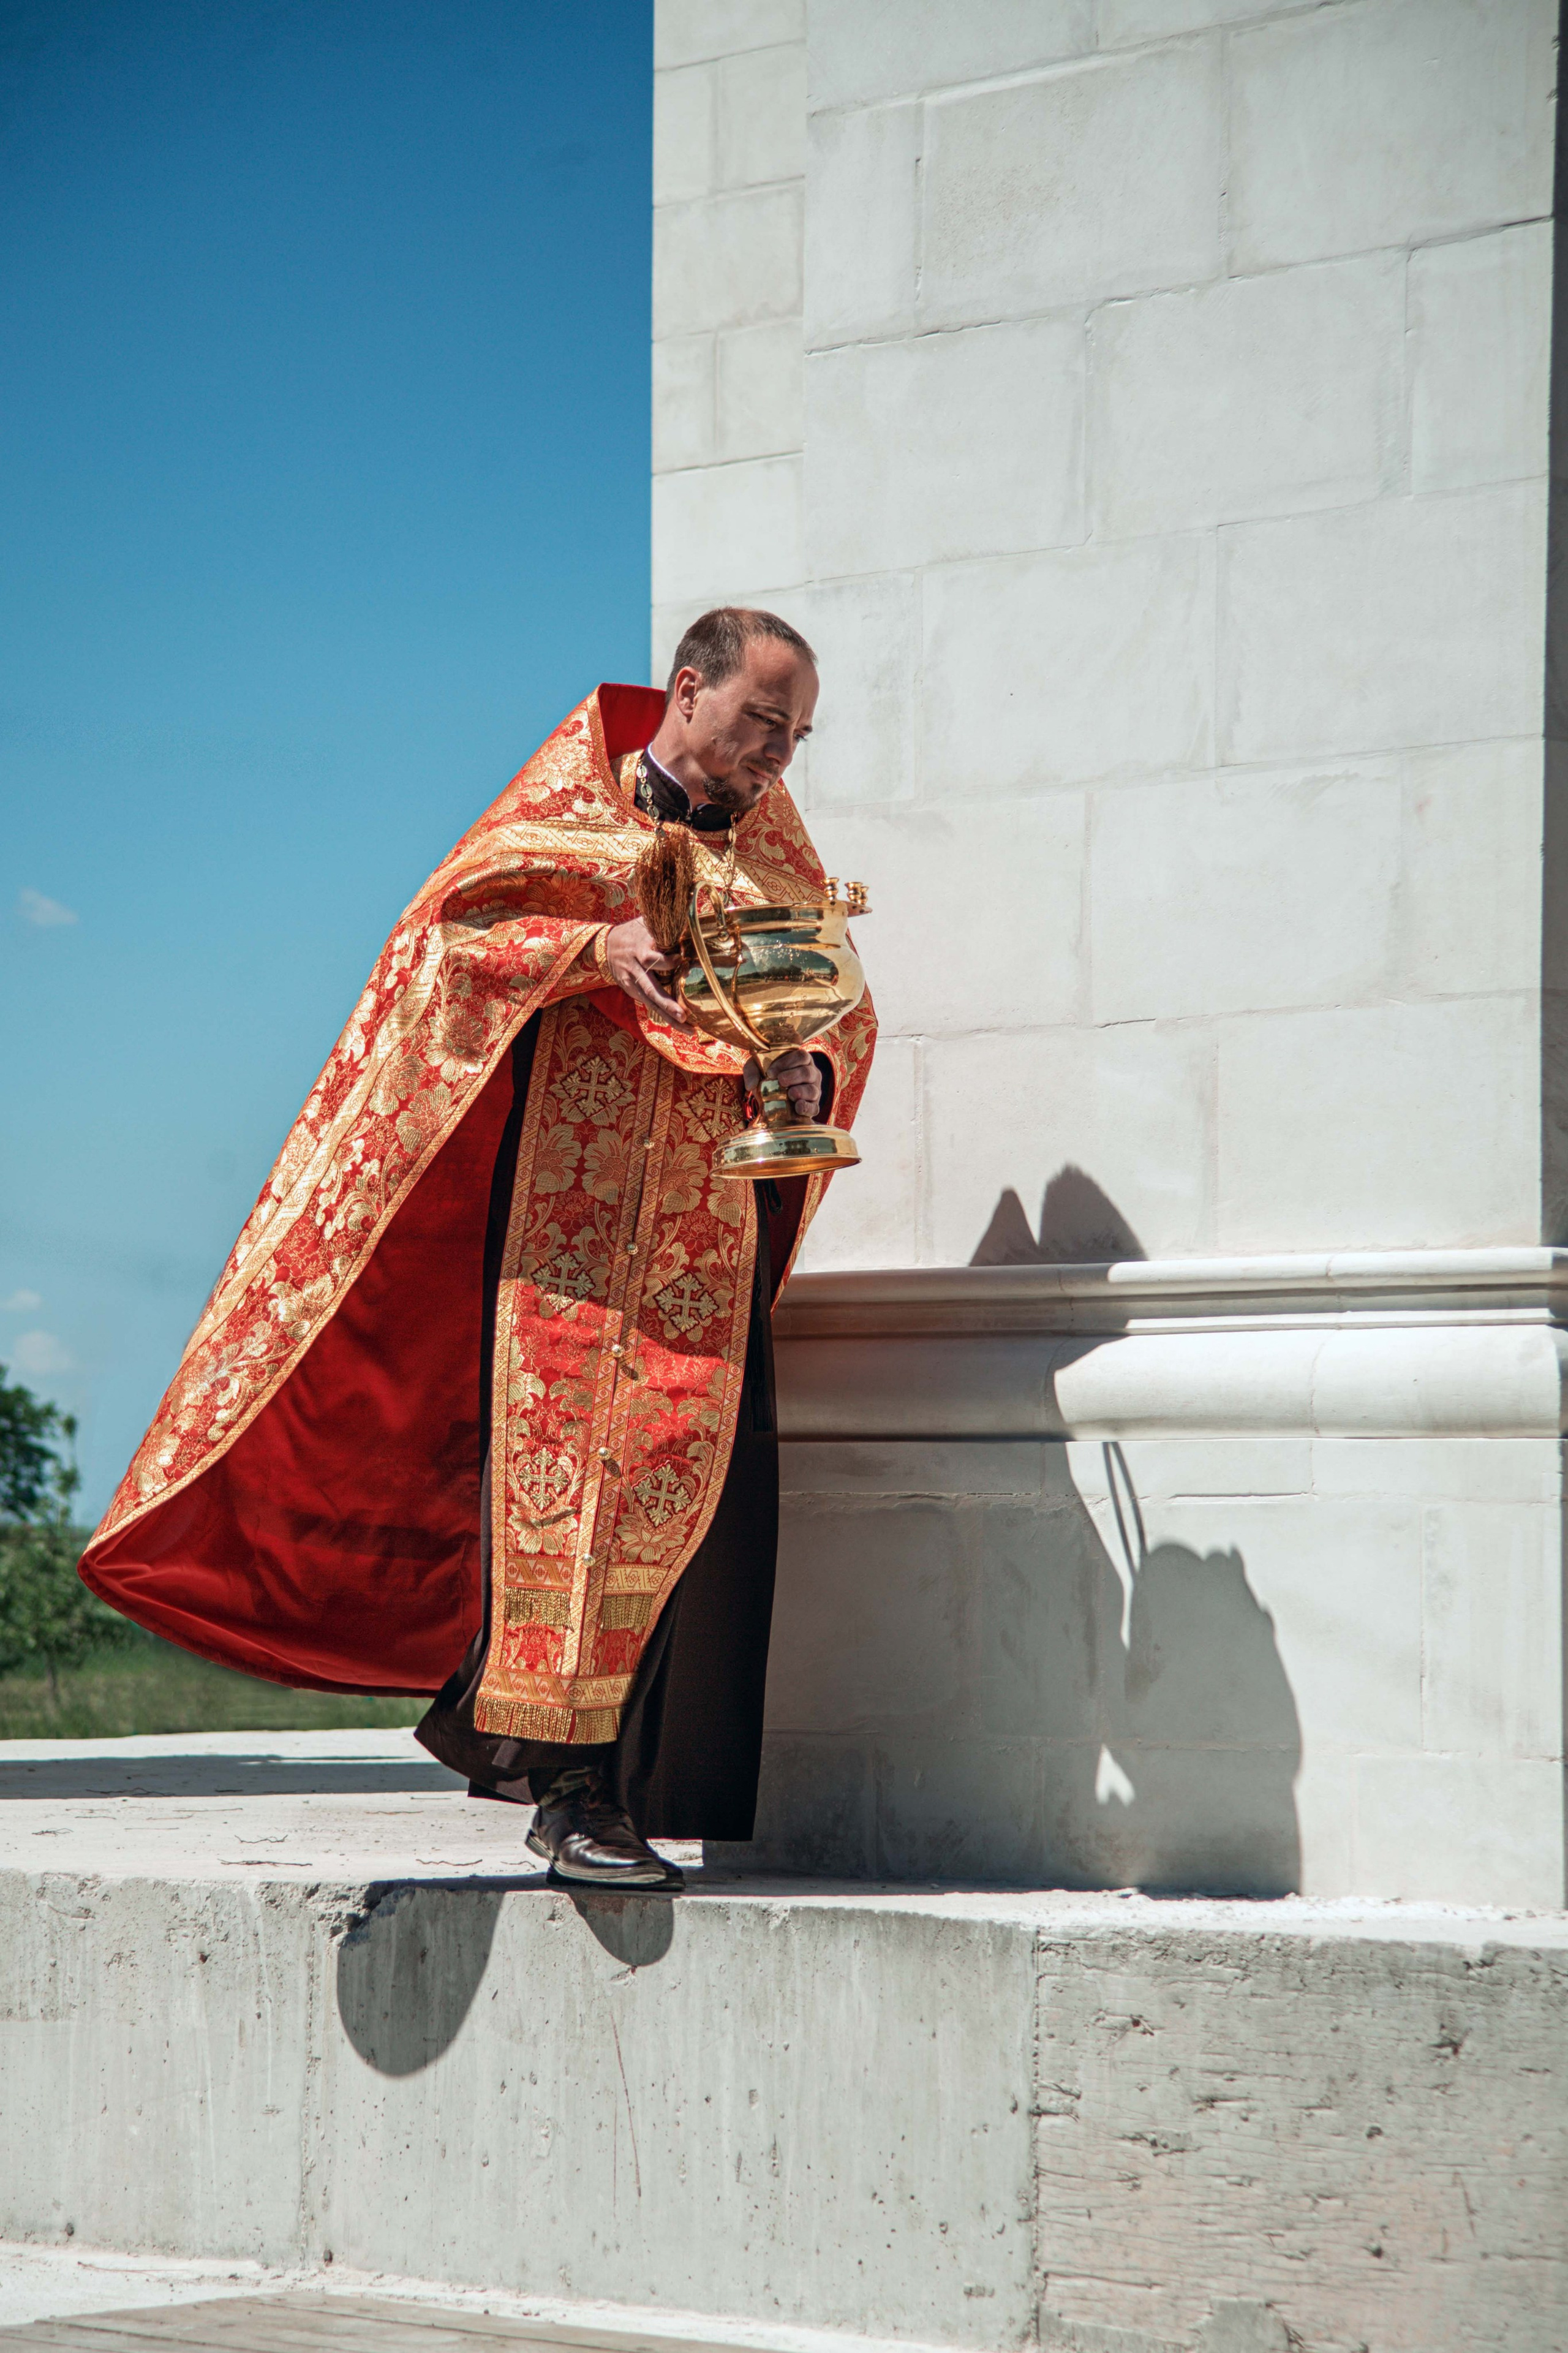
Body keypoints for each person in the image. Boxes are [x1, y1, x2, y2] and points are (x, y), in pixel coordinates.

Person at [80, 608, 876, 1891]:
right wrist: (592, 947)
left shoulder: (779, 862)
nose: (778, 753)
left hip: (701, 1243)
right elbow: (442, 949)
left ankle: (648, 1787)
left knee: (697, 1501)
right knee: (565, 1496)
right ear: (686, 690)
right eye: (758, 722)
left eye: (795, 733)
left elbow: (839, 1006)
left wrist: (805, 1063)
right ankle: (567, 1794)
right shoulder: (562, 815)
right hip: (560, 1243)